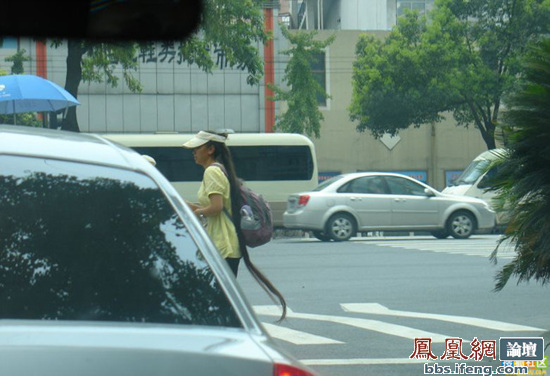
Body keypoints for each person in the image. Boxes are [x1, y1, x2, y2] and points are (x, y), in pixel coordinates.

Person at [182, 130, 287, 319]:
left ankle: (230, 333)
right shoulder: (220, 169)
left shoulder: (212, 171)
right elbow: (220, 208)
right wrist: (189, 207)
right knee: (221, 298)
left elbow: (216, 207)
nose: (193, 152)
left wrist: (196, 213)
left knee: (218, 299)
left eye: (197, 148)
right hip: (227, 246)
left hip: (222, 246)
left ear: (211, 149)